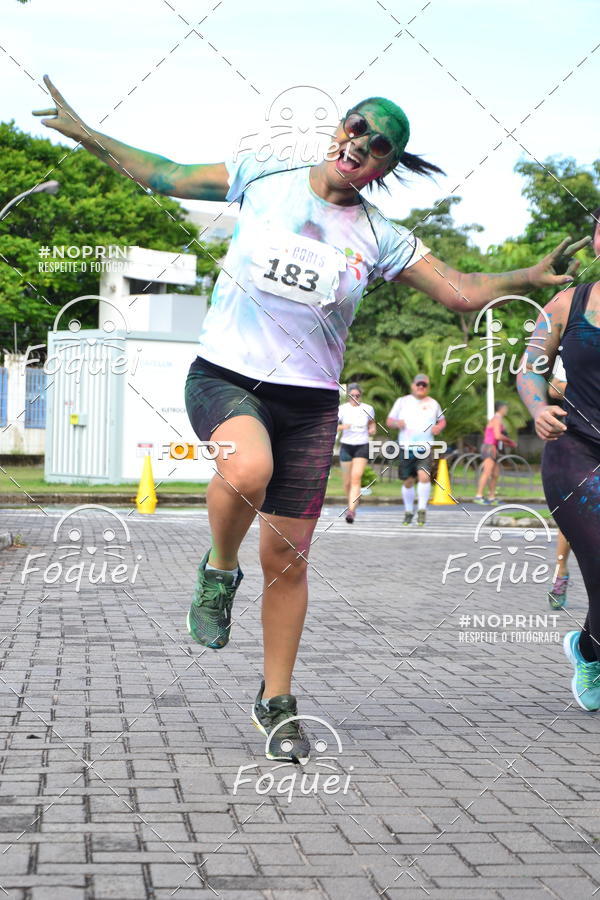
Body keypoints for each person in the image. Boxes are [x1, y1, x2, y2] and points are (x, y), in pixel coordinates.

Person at [35, 76, 589, 762]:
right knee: (247, 469)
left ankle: (277, 701)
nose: (361, 144)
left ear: (388, 167)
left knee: (289, 560)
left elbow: (461, 293)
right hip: (228, 377)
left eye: (380, 145)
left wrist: (523, 278)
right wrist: (90, 133)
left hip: (309, 402)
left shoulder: (383, 236)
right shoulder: (264, 176)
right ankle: (217, 567)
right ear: (339, 130)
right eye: (356, 127)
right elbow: (166, 175)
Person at [517, 271, 600, 711]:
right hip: (574, 449)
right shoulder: (569, 303)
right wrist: (537, 407)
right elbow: (530, 368)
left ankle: (588, 649)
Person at [387, 374, 446, 526]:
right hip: (406, 447)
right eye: (418, 384)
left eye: (424, 385)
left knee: (424, 477)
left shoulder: (433, 403)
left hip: (425, 447)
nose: (421, 387)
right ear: (413, 385)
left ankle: (421, 510)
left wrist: (439, 427)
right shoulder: (402, 402)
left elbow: (442, 420)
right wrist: (396, 423)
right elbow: (389, 421)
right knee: (408, 481)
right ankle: (408, 511)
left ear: (428, 387)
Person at [546, 355, 571, 609]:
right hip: (581, 437)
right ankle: (561, 571)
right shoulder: (579, 337)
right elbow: (554, 387)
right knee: (571, 512)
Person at [337, 383, 376, 523]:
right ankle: (351, 504)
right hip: (346, 446)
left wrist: (372, 429)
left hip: (362, 446)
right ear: (348, 396)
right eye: (352, 396)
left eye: (357, 396)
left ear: (361, 396)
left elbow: (372, 423)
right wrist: (343, 426)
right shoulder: (341, 409)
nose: (354, 398)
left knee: (356, 478)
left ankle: (351, 511)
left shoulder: (368, 408)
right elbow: (333, 426)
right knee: (347, 482)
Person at [474, 402, 517, 505]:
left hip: (494, 448)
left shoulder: (498, 419)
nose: (507, 410)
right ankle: (478, 496)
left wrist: (506, 442)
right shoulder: (497, 419)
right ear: (501, 409)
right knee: (487, 472)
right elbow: (497, 436)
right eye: (505, 408)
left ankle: (491, 497)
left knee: (495, 474)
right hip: (489, 447)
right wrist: (509, 441)